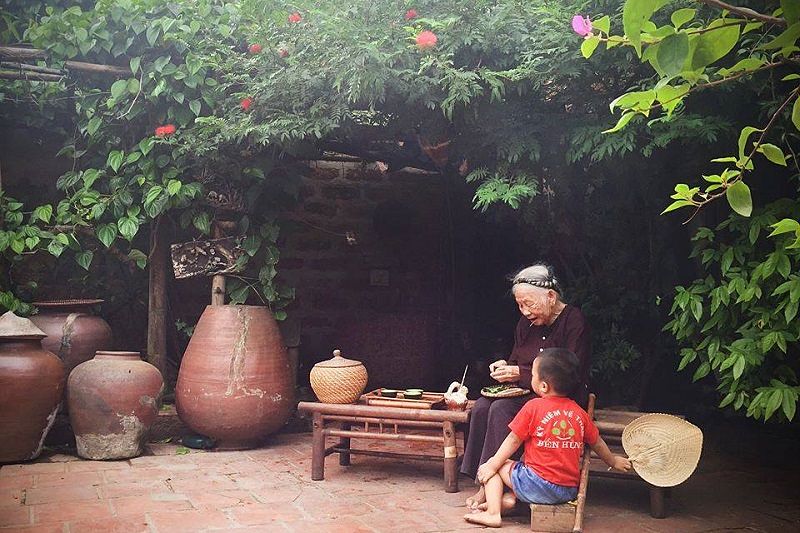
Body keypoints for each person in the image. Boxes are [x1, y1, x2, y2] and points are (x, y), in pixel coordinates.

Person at [462, 263, 591, 510]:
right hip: (527, 390)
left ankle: (498, 483)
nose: (524, 311)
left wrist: (518, 373)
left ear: (551, 297)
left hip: (559, 396)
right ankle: (485, 480)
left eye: (529, 304)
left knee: (500, 409)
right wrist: (505, 367)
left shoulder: (574, 320)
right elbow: (515, 360)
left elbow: (571, 369)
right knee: (481, 406)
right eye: (520, 305)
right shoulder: (525, 325)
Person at [464, 348, 631, 527]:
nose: (531, 378)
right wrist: (613, 462)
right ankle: (508, 502)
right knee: (518, 469)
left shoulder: (533, 407)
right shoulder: (580, 414)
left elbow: (513, 440)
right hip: (567, 491)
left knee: (494, 466)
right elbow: (597, 442)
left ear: (543, 386)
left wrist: (493, 465)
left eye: (533, 375)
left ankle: (493, 513)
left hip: (537, 486)